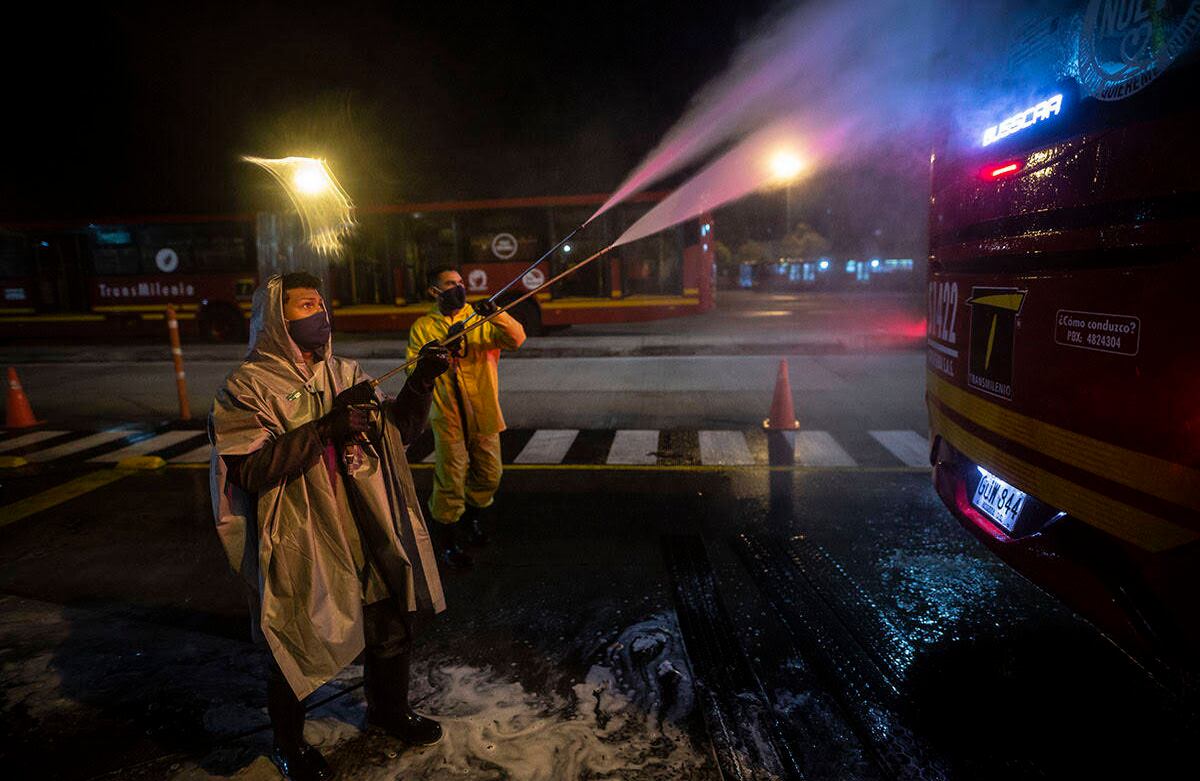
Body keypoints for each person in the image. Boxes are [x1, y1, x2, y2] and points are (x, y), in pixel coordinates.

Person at [209, 272, 451, 781]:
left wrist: (421, 380)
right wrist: (323, 429)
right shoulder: (246, 386)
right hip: (302, 533)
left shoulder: (345, 371)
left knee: (390, 618)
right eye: (304, 305)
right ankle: (290, 745)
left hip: (363, 520)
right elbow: (249, 469)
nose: (320, 314)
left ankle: (388, 710)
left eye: (321, 303)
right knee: (295, 636)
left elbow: (399, 433)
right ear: (276, 318)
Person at [406, 266, 526, 568]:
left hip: (483, 412)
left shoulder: (480, 319)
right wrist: (442, 352)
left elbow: (516, 338)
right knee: (450, 480)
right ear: (435, 291)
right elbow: (412, 369)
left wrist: (495, 313)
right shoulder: (423, 326)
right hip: (448, 417)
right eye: (450, 284)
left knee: (489, 474)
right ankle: (447, 541)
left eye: (461, 283)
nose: (458, 288)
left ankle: (472, 519)